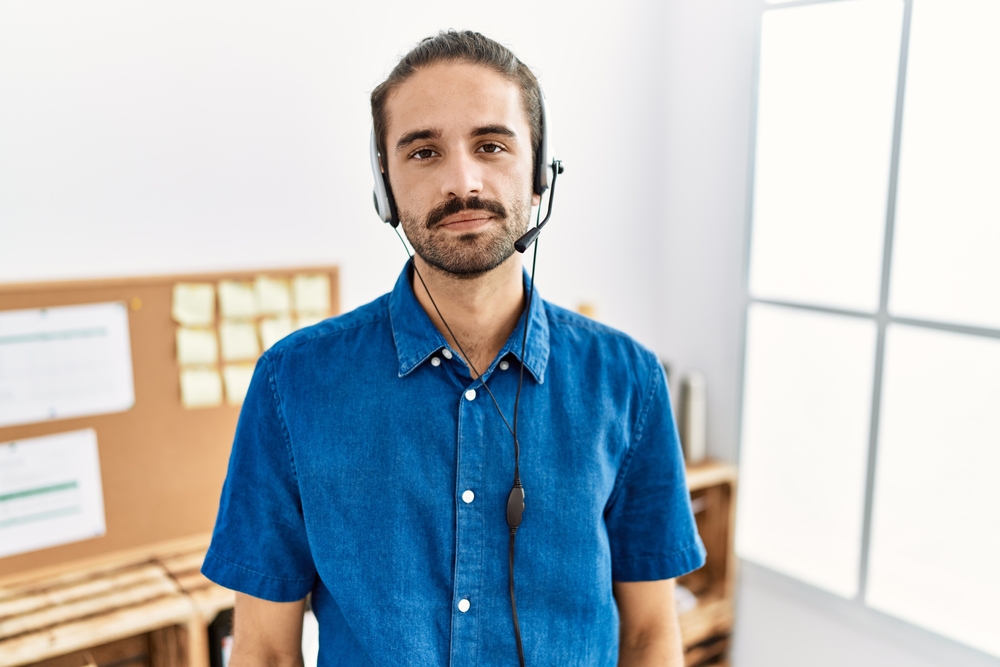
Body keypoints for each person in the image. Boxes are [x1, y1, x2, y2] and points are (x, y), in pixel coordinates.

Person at [202, 30, 705, 667]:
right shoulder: (291, 384)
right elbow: (265, 653)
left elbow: (648, 637)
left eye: (491, 145)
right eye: (423, 152)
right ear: (385, 186)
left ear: (541, 169)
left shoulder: (629, 382)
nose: (461, 181)